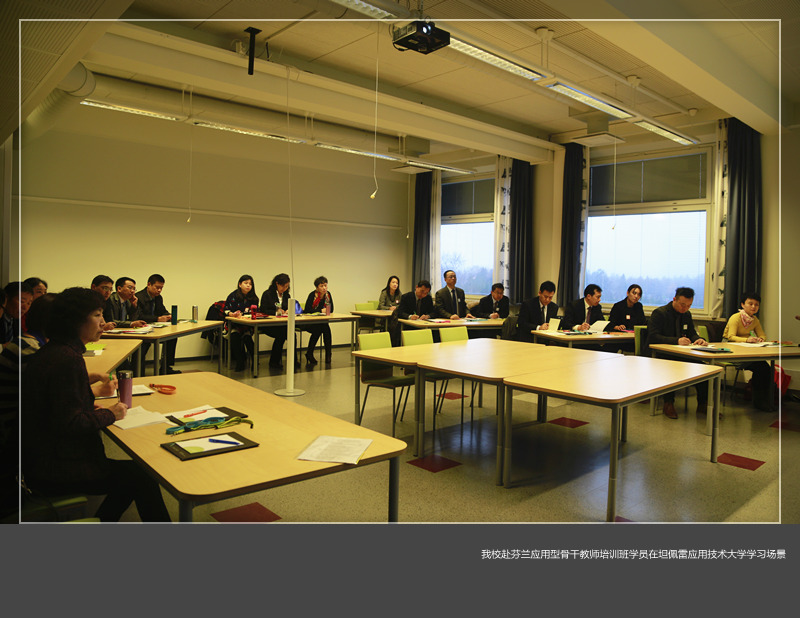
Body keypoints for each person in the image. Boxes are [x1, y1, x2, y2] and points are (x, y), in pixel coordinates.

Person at [21, 287, 170, 522]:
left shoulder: (57, 351)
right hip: (56, 467)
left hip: (39, 459)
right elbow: (70, 423)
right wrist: (111, 413)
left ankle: (101, 521)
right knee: (141, 476)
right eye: (97, 315)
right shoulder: (67, 359)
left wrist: (87, 408)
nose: (103, 322)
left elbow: (60, 408)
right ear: (74, 320)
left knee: (133, 477)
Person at [647, 287, 709, 419]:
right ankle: (668, 403)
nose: (685, 308)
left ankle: (703, 404)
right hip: (661, 354)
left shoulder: (686, 315)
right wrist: (676, 341)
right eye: (682, 304)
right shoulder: (660, 313)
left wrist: (699, 339)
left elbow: (691, 333)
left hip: (680, 354)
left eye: (689, 305)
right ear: (674, 299)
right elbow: (653, 337)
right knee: (671, 367)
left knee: (704, 368)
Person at [722, 292, 773, 411]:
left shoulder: (755, 320)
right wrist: (747, 340)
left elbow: (762, 335)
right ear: (742, 304)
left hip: (746, 350)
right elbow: (731, 337)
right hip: (731, 351)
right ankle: (759, 402)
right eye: (750, 304)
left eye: (756, 304)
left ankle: (763, 400)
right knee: (761, 367)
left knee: (765, 368)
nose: (753, 307)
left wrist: (761, 339)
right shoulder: (736, 317)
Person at [136, 274, 179, 374]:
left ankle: (166, 368)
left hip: (155, 328)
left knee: (172, 337)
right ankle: (138, 372)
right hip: (141, 329)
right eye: (157, 287)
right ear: (149, 284)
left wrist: (168, 315)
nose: (159, 290)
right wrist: (157, 318)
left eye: (161, 288)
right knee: (142, 347)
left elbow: (162, 310)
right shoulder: (139, 297)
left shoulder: (158, 298)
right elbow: (139, 316)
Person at [259, 273, 299, 370]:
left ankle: (292, 360)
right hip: (268, 324)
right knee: (282, 334)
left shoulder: (287, 295)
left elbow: (291, 307)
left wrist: (289, 310)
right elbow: (263, 310)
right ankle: (274, 361)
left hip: (282, 324)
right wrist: (276, 312)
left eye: (287, 286)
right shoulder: (267, 294)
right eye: (283, 286)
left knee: (292, 334)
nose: (284, 288)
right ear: (277, 283)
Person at [225, 275, 259, 372]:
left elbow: (255, 312)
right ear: (240, 284)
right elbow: (226, 310)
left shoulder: (254, 298)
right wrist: (232, 314)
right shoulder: (233, 296)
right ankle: (240, 362)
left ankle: (255, 361)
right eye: (246, 283)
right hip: (234, 324)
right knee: (234, 337)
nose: (248, 286)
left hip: (248, 325)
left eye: (250, 284)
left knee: (247, 338)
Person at [390, 279, 434, 346]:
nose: (423, 295)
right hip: (408, 327)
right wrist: (410, 316)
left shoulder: (428, 298)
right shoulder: (406, 297)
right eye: (422, 291)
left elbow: (434, 312)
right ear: (416, 287)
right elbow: (400, 312)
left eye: (426, 293)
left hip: (423, 326)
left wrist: (428, 316)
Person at [303, 276, 334, 366]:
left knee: (322, 327)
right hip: (309, 322)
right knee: (324, 328)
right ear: (317, 287)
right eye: (321, 286)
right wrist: (320, 310)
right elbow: (307, 310)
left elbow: (331, 309)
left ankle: (310, 353)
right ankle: (328, 354)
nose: (324, 288)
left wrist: (324, 310)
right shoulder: (312, 295)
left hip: (321, 322)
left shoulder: (328, 295)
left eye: (325, 285)